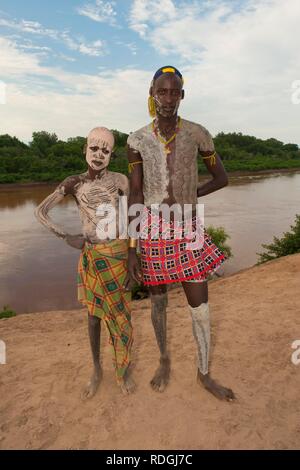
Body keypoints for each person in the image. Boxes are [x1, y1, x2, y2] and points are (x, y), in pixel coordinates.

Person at [126, 66, 235, 401]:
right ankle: (164, 360)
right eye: (162, 91)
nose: (168, 98)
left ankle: (204, 374)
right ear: (152, 93)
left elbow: (221, 178)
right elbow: (135, 193)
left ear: (182, 95)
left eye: (175, 92)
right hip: (153, 230)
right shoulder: (137, 140)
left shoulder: (198, 134)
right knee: (157, 303)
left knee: (200, 303)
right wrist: (132, 246)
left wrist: (190, 195)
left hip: (188, 228)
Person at [35, 127, 135, 398]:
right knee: (93, 317)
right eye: (94, 148)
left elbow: (129, 221)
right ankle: (96, 370)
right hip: (92, 257)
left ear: (111, 155)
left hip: (117, 257)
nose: (99, 154)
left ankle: (122, 372)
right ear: (85, 149)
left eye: (106, 150)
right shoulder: (74, 183)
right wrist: (66, 237)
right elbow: (40, 211)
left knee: (120, 318)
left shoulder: (120, 182)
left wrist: (131, 257)